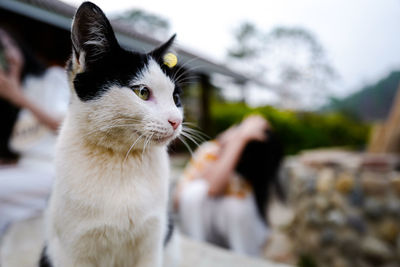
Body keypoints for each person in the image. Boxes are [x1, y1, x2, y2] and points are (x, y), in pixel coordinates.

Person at [174, 115, 285, 257]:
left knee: (235, 206)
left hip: (243, 240)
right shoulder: (211, 150)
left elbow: (214, 187)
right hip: (211, 235)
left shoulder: (242, 169)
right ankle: (198, 254)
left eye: (239, 129)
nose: (233, 130)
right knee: (195, 191)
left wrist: (240, 139)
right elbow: (179, 199)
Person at [0, 28, 69, 234]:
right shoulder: (5, 105)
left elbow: (65, 126)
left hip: (54, 170)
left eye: (5, 46)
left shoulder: (52, 78)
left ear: (19, 47)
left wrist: (19, 97)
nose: (4, 55)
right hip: (25, 171)